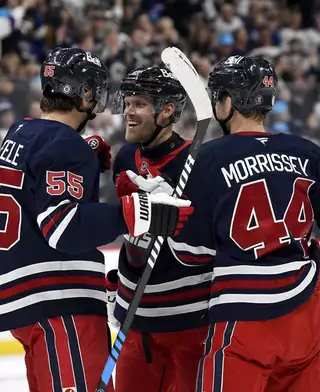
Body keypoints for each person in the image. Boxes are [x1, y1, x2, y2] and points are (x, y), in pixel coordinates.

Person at [0, 47, 192, 392]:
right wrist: (138, 211)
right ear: (84, 93)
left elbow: (35, 182)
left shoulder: (21, 131)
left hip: (26, 301)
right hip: (58, 301)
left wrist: (84, 155)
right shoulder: (64, 145)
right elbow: (63, 226)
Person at [163, 55, 320, 392]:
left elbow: (188, 252)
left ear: (228, 101)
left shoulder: (206, 157)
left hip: (244, 319)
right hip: (305, 319)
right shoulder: (308, 153)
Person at [106, 66, 212, 392]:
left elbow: (210, 245)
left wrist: (178, 221)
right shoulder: (124, 157)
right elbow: (133, 236)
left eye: (139, 103)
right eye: (127, 102)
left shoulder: (198, 164)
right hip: (136, 321)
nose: (128, 111)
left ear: (167, 111)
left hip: (190, 324)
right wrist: (120, 285)